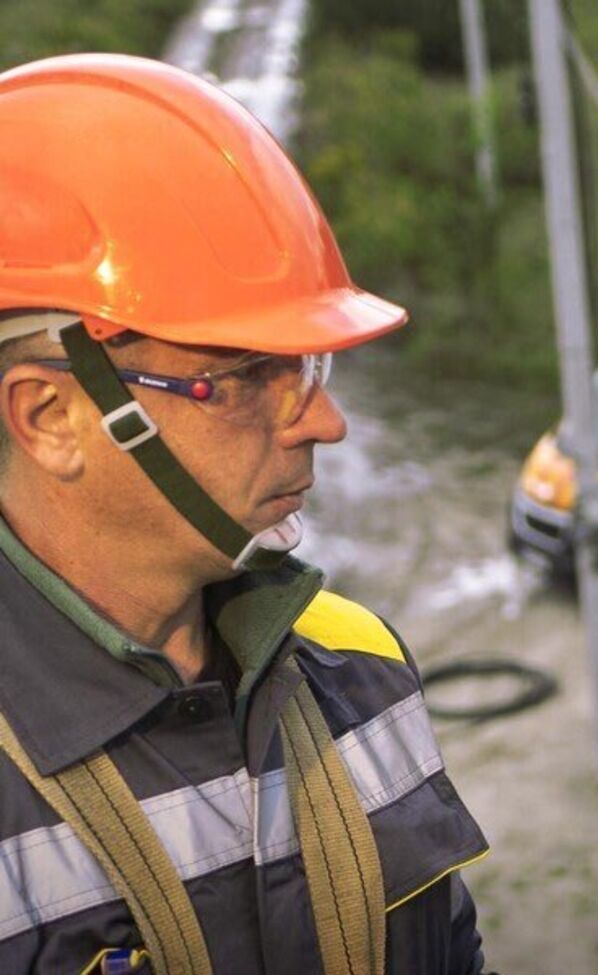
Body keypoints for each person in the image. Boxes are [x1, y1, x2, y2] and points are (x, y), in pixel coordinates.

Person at [0, 54, 488, 974]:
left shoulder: (360, 664)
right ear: (52, 417)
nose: (325, 422)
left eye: (308, 367)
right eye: (246, 374)